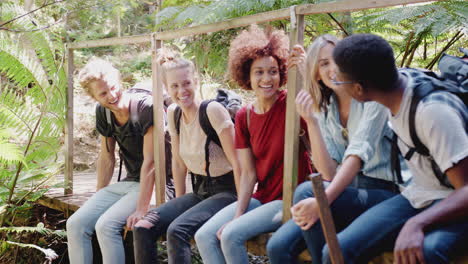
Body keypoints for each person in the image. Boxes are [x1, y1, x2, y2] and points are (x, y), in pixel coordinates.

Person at [326, 33, 468, 264]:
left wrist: (416, 224)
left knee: (427, 252)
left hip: (454, 199)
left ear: (360, 89)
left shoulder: (432, 114)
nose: (335, 80)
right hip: (421, 194)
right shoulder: (392, 87)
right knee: (338, 250)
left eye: (341, 80)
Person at [266, 34, 400, 264]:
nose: (333, 68)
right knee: (277, 247)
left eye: (337, 59)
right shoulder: (325, 108)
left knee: (307, 192)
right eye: (324, 63)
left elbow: (358, 152)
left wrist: (322, 200)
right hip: (347, 192)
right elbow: (328, 173)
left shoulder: (371, 96)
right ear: (316, 73)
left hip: (385, 192)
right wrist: (312, 122)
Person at [194, 25, 313, 264]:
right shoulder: (244, 116)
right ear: (247, 75)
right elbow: (248, 173)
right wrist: (239, 212)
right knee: (204, 235)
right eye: (259, 72)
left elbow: (318, 97)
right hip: (263, 196)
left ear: (282, 73)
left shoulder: (292, 105)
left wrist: (306, 67)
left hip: (291, 198)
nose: (267, 79)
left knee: (230, 235)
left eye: (273, 71)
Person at [132, 48, 240, 264]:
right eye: (175, 86)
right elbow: (179, 164)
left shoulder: (213, 111)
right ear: (166, 88)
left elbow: (240, 164)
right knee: (142, 227)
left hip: (228, 192)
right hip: (199, 191)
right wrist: (180, 202)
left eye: (186, 83)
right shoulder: (174, 112)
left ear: (196, 81)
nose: (182, 90)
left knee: (177, 231)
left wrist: (241, 210)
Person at [66, 58, 166, 264]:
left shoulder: (146, 107)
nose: (112, 96)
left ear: (119, 80)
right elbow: (106, 156)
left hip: (159, 184)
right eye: (103, 93)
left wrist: (142, 208)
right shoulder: (104, 112)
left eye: (113, 87)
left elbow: (152, 162)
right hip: (129, 182)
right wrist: (98, 196)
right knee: (76, 223)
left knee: (107, 225)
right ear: (93, 97)